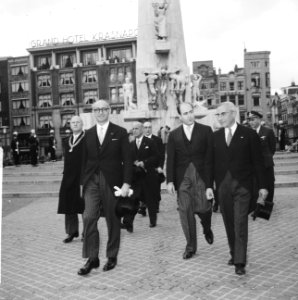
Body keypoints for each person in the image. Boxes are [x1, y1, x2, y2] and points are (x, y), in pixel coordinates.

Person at [78, 100, 132, 276]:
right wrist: (81, 183)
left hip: (112, 181)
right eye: (96, 109)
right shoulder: (88, 134)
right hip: (92, 180)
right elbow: (84, 161)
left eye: (103, 109)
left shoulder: (120, 132)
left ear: (109, 110)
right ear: (93, 112)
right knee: (88, 217)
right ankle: (92, 258)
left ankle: (112, 255)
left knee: (112, 219)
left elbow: (128, 160)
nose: (100, 112)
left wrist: (126, 183)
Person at [213, 102, 268, 276]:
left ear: (233, 113)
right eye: (218, 115)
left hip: (243, 186)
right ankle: (233, 252)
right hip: (223, 186)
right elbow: (209, 163)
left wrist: (263, 186)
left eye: (222, 114)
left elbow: (259, 163)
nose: (220, 118)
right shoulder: (215, 137)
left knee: (240, 222)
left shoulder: (249, 134)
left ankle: (239, 261)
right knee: (229, 221)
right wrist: (209, 185)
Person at [166, 102, 214, 260]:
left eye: (191, 112)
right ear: (180, 117)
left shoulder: (206, 131)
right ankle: (190, 246)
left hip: (201, 175)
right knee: (185, 211)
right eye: (185, 113)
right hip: (183, 178)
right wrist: (170, 181)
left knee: (204, 208)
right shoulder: (173, 135)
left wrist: (209, 183)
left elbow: (210, 159)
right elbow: (171, 159)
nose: (189, 115)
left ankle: (206, 226)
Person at [123, 121, 159, 229]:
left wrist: (145, 162)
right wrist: (132, 163)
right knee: (133, 199)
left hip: (148, 176)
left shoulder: (150, 142)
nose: (134, 131)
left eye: (136, 129)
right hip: (136, 178)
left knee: (150, 200)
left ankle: (153, 220)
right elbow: (127, 160)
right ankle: (128, 222)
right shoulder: (131, 145)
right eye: (133, 129)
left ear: (142, 129)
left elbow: (156, 157)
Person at [58, 116, 85, 244]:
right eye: (73, 122)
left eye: (77, 122)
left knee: (84, 205)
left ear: (82, 124)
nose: (75, 124)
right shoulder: (66, 140)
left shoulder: (87, 139)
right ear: (70, 125)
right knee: (68, 205)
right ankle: (71, 231)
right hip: (68, 177)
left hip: (82, 177)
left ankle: (87, 232)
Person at [248, 111, 276, 204]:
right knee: (255, 185)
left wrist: (265, 158)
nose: (251, 122)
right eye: (249, 120)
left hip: (266, 164)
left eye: (253, 119)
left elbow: (272, 148)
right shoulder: (248, 132)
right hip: (253, 165)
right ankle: (256, 206)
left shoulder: (268, 131)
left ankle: (267, 205)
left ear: (260, 119)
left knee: (269, 185)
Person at [143, 121, 165, 213]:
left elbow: (162, 155)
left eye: (149, 127)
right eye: (145, 127)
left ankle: (156, 205)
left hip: (155, 168)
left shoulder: (158, 140)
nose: (147, 129)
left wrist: (160, 166)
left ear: (151, 128)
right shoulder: (140, 140)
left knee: (155, 188)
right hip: (143, 169)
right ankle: (143, 206)